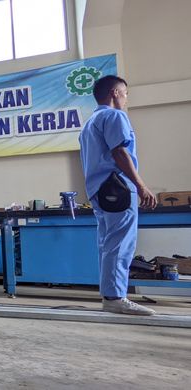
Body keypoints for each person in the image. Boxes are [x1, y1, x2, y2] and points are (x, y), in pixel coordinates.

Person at [79, 75, 157, 316]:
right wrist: (141, 185)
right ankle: (115, 297)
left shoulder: (90, 122)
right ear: (114, 92)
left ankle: (111, 295)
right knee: (120, 242)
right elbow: (120, 152)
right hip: (118, 188)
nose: (126, 98)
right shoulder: (114, 116)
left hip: (99, 190)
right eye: (125, 93)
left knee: (108, 243)